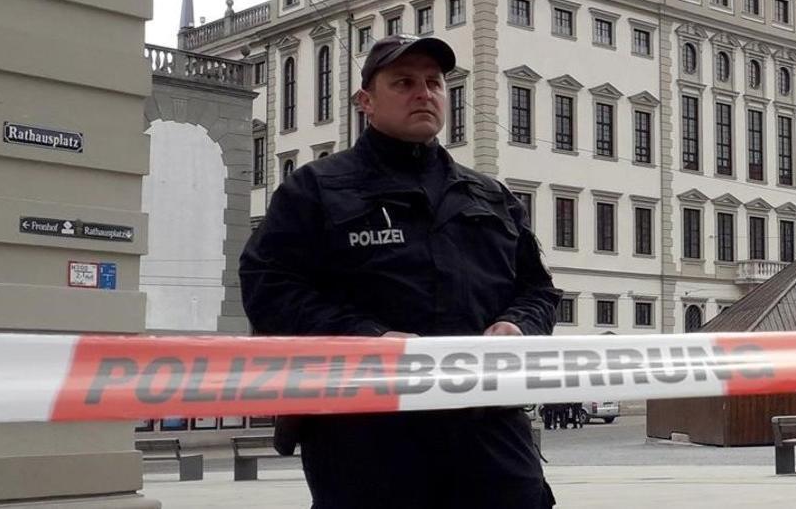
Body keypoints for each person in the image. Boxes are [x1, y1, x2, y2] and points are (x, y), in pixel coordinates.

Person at [240, 34, 562, 509]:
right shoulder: (316, 188)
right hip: (366, 436)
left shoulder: (491, 196)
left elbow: (539, 290)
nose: (424, 92)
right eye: (404, 82)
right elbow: (268, 287)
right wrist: (366, 337)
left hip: (488, 433)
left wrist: (518, 325)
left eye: (434, 82)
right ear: (365, 101)